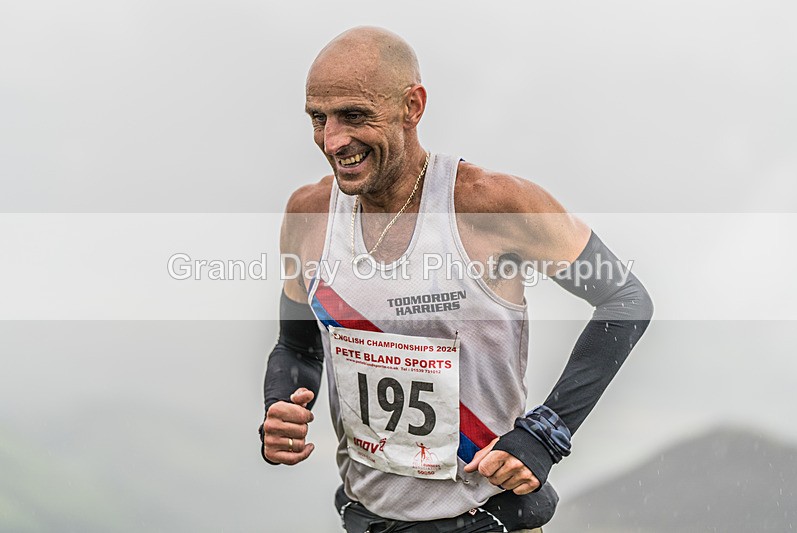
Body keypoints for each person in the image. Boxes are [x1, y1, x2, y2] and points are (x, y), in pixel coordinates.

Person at [259, 26, 653, 533]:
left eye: (354, 116)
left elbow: (625, 300)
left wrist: (547, 432)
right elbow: (297, 348)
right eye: (319, 118)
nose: (332, 140)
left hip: (486, 519)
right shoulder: (308, 215)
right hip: (367, 520)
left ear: (412, 106)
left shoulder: (490, 205)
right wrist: (280, 405)